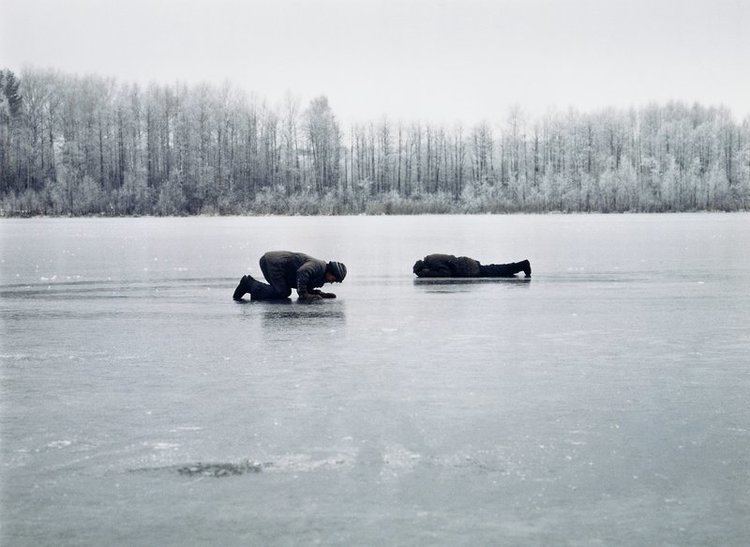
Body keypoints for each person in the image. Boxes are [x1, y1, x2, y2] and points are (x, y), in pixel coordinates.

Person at [233, 251, 347, 301]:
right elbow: (302, 272)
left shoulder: (321, 276)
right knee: (282, 292)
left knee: (282, 291)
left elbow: (306, 283)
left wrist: (317, 293)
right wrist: (304, 294)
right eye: (334, 279)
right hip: (274, 263)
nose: (332, 282)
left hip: (277, 265)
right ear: (331, 272)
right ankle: (249, 284)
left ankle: (255, 289)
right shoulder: (318, 266)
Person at [413, 253, 531, 278]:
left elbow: (446, 273)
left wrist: (428, 274)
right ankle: (521, 265)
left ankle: (522, 265)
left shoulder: (433, 262)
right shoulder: (432, 258)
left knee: (496, 271)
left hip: (467, 268)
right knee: (494, 269)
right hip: (466, 264)